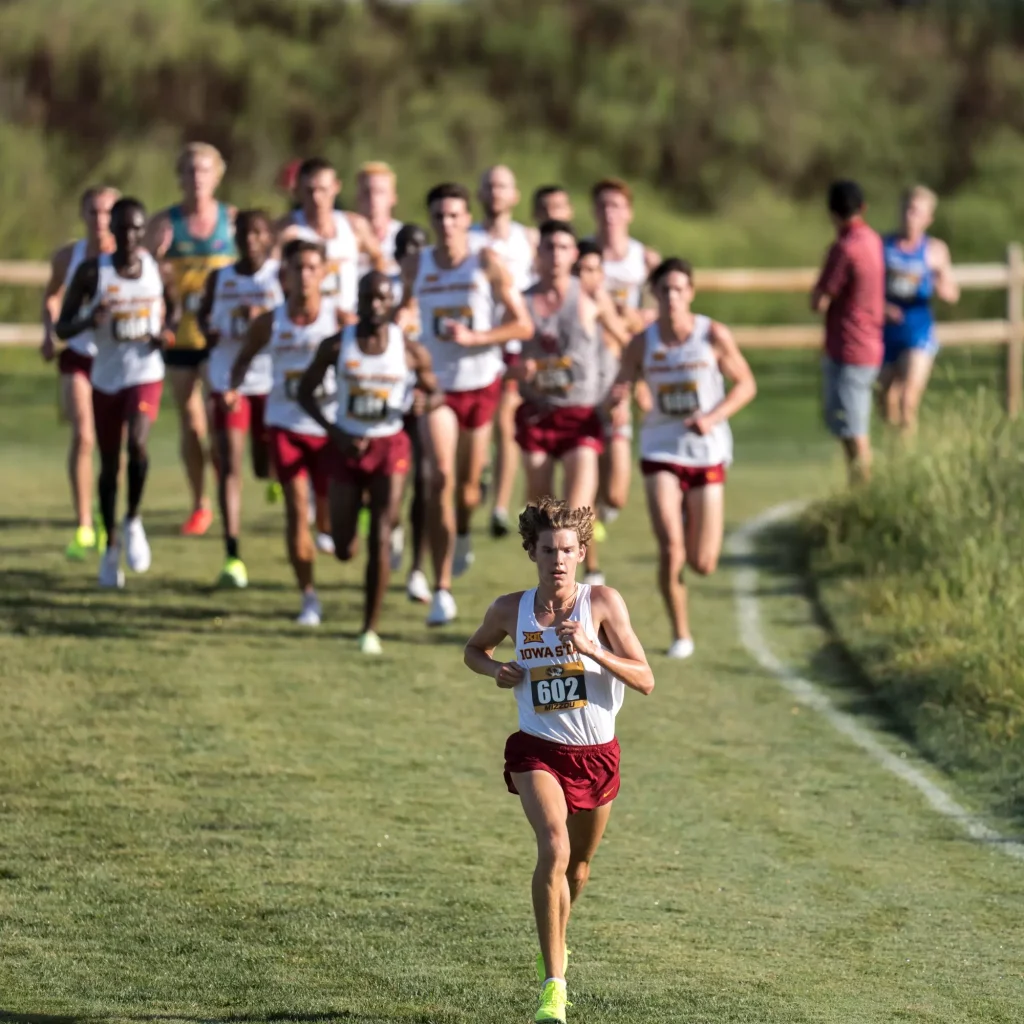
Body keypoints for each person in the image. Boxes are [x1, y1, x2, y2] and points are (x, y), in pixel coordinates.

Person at [463, 497, 654, 1024]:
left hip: (597, 756)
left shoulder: (604, 604)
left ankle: (557, 935)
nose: (559, 560)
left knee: (579, 868)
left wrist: (593, 650)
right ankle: (555, 987)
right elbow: (473, 651)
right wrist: (495, 669)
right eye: (548, 550)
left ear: (582, 551)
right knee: (554, 844)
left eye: (568, 550)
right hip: (537, 751)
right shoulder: (510, 609)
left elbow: (645, 679)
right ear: (532, 552)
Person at [397, 182, 532, 626]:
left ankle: (463, 530)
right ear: (431, 220)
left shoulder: (485, 261)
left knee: (469, 489)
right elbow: (398, 316)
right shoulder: (417, 265)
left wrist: (477, 338)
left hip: (481, 384)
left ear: (465, 218)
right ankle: (441, 589)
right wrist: (405, 327)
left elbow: (521, 325)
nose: (447, 224)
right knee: (439, 476)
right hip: (437, 389)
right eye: (439, 217)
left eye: (455, 216)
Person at [611, 258, 756, 659]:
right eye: (664, 290)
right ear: (654, 295)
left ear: (690, 293)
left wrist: (712, 418)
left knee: (703, 562)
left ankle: (692, 519)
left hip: (706, 452)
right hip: (660, 448)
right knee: (670, 547)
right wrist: (620, 398)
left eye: (678, 289)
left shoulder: (712, 335)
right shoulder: (643, 341)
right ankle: (681, 633)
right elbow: (622, 380)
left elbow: (746, 384)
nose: (671, 297)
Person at [296, 271, 440, 654]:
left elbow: (435, 390)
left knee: (379, 535)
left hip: (389, 447)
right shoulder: (336, 345)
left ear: (392, 302)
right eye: (367, 298)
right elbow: (304, 392)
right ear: (356, 300)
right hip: (345, 447)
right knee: (344, 547)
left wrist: (427, 401)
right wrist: (333, 431)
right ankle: (353, 538)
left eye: (381, 298)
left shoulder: (408, 349)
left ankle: (369, 629)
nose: (374, 305)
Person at [56, 197, 175, 589]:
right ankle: (110, 548)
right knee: (109, 465)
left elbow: (172, 311)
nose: (127, 236)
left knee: (138, 445)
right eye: (121, 228)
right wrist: (91, 319)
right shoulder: (94, 272)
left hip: (145, 372)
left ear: (143, 232)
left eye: (135, 229)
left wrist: (165, 333)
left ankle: (134, 519)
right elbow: (63, 327)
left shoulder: (155, 269)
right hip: (106, 377)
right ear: (113, 231)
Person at [227, 238, 340, 625]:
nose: (305, 275)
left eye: (312, 267)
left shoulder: (339, 321)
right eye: (298, 268)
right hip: (285, 424)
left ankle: (330, 530)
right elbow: (241, 360)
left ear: (324, 273)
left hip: (329, 428)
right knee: (296, 509)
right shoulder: (269, 322)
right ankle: (308, 596)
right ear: (285, 275)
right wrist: (232, 388)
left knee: (337, 530)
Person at [145, 142, 235, 536]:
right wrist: (155, 256)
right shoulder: (164, 223)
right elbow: (139, 274)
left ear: (217, 175)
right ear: (179, 177)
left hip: (219, 339)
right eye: (190, 171)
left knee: (220, 424)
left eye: (204, 171)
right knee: (191, 423)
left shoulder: (231, 222)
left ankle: (226, 491)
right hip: (180, 339)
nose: (197, 179)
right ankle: (200, 504)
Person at [514, 222, 621, 532]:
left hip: (581, 414)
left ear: (574, 254)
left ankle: (584, 574)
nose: (556, 255)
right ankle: (546, 578)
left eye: (563, 248)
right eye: (549, 247)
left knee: (575, 517)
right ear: (539, 254)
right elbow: (502, 355)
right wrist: (518, 369)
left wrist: (624, 386)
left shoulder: (590, 297)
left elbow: (628, 342)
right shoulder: (522, 301)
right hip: (539, 411)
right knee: (540, 515)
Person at [198, 209, 284, 588]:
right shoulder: (220, 277)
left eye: (257, 232)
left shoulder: (282, 276)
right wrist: (211, 330)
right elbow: (202, 319)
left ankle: (275, 477)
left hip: (272, 382)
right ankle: (232, 554)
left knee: (264, 466)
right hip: (228, 381)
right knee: (229, 465)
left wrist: (263, 318)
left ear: (268, 238)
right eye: (243, 233)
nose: (250, 240)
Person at [40, 185, 119, 560]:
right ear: (83, 214)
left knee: (112, 444)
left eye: (108, 213)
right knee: (84, 435)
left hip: (114, 360)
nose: (100, 220)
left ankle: (108, 519)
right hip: (76, 355)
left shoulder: (126, 258)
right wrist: (47, 334)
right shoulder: (67, 257)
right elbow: (51, 297)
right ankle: (84, 523)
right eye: (93, 212)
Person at [469, 166, 538, 540]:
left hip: (513, 343)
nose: (495, 192)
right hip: (475, 344)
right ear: (480, 195)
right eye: (489, 184)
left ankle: (499, 505)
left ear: (515, 195)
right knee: (481, 422)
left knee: (506, 419)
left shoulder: (528, 239)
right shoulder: (467, 238)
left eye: (502, 186)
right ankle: (478, 468)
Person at [811, 179, 885, 483]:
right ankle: (860, 489)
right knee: (853, 425)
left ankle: (864, 494)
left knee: (854, 430)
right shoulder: (873, 241)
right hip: (870, 342)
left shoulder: (845, 248)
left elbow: (820, 300)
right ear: (862, 208)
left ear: (831, 212)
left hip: (848, 346)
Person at [572, 240, 633, 582]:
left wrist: (627, 393)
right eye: (580, 270)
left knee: (615, 494)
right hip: (579, 406)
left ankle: (601, 518)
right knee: (586, 492)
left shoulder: (604, 305)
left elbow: (630, 346)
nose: (587, 277)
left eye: (593, 270)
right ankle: (592, 566)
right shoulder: (564, 305)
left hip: (611, 401)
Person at [879, 185, 959, 436]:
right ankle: (895, 450)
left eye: (916, 212)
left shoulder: (935, 250)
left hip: (918, 330)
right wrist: (881, 307)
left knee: (908, 400)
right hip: (886, 331)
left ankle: (908, 451)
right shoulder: (883, 246)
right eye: (906, 209)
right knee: (885, 399)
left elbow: (951, 294)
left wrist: (939, 275)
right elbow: (867, 289)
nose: (909, 216)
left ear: (928, 219)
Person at [277, 157, 385, 321]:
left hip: (349, 319)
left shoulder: (354, 225)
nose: (316, 198)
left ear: (336, 187)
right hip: (306, 321)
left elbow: (379, 259)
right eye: (309, 191)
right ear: (298, 190)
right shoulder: (288, 230)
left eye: (323, 190)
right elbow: (269, 274)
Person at [389, 223, 434, 604]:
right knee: (390, 488)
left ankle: (418, 570)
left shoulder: (437, 292)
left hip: (424, 403)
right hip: (385, 407)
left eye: (420, 250)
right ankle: (392, 529)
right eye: (407, 251)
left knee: (424, 480)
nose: (414, 259)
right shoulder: (383, 295)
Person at [590, 178, 660, 332]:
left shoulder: (645, 258)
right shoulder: (581, 253)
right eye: (603, 206)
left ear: (629, 213)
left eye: (615, 206)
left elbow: (655, 309)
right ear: (594, 211)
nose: (609, 212)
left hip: (632, 334)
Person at [355, 161, 403, 276]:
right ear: (358, 197)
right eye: (367, 192)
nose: (373, 198)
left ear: (393, 198)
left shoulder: (403, 237)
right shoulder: (344, 236)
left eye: (380, 192)